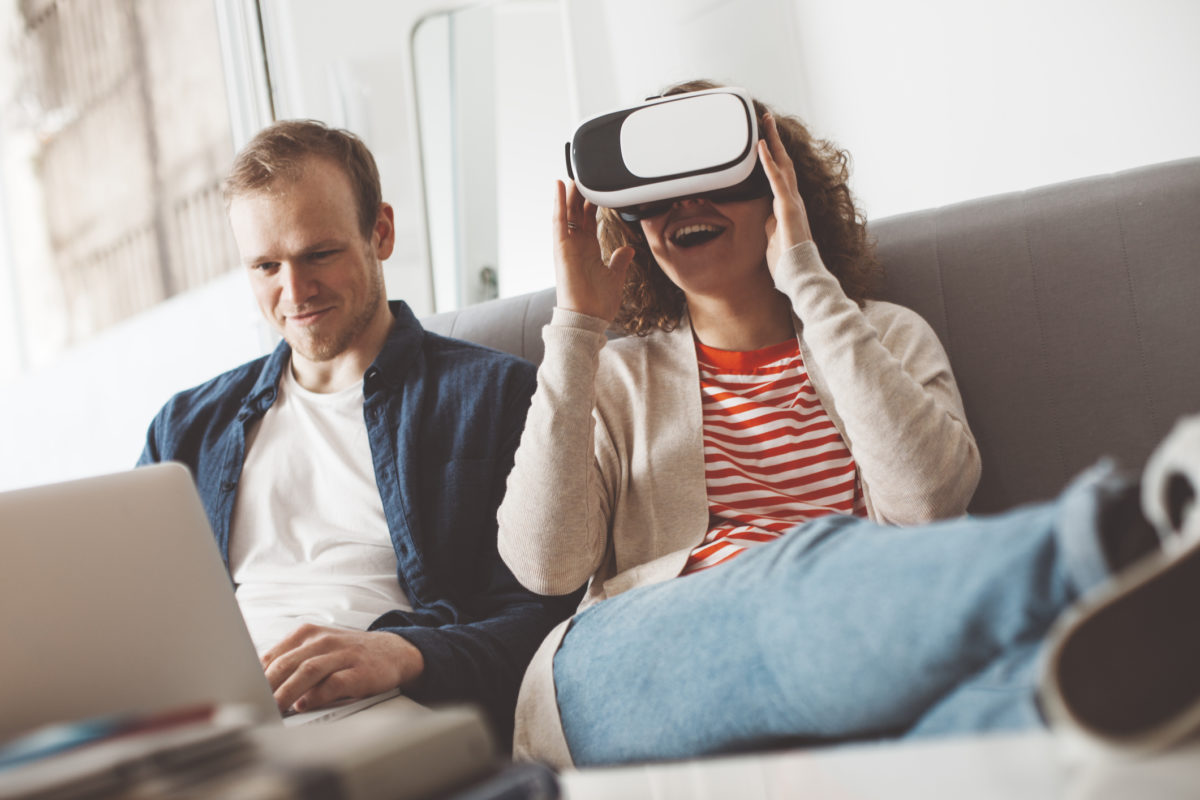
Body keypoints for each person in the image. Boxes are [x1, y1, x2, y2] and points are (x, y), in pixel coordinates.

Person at [495, 81, 1200, 767]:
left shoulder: (887, 336)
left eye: (719, 174)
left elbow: (928, 504)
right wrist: (578, 327)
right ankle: (1132, 532)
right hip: (632, 666)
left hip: (850, 661)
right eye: (659, 191)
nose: (688, 203)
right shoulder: (616, 378)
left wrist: (807, 281)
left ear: (781, 188)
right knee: (802, 564)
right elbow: (543, 563)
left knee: (1034, 697)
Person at [138, 120, 573, 741]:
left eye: (319, 254)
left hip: (380, 702)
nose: (295, 291)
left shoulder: (496, 396)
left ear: (381, 232)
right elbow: (135, 617)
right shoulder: (185, 429)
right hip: (214, 717)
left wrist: (406, 654)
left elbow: (547, 617)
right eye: (265, 266)